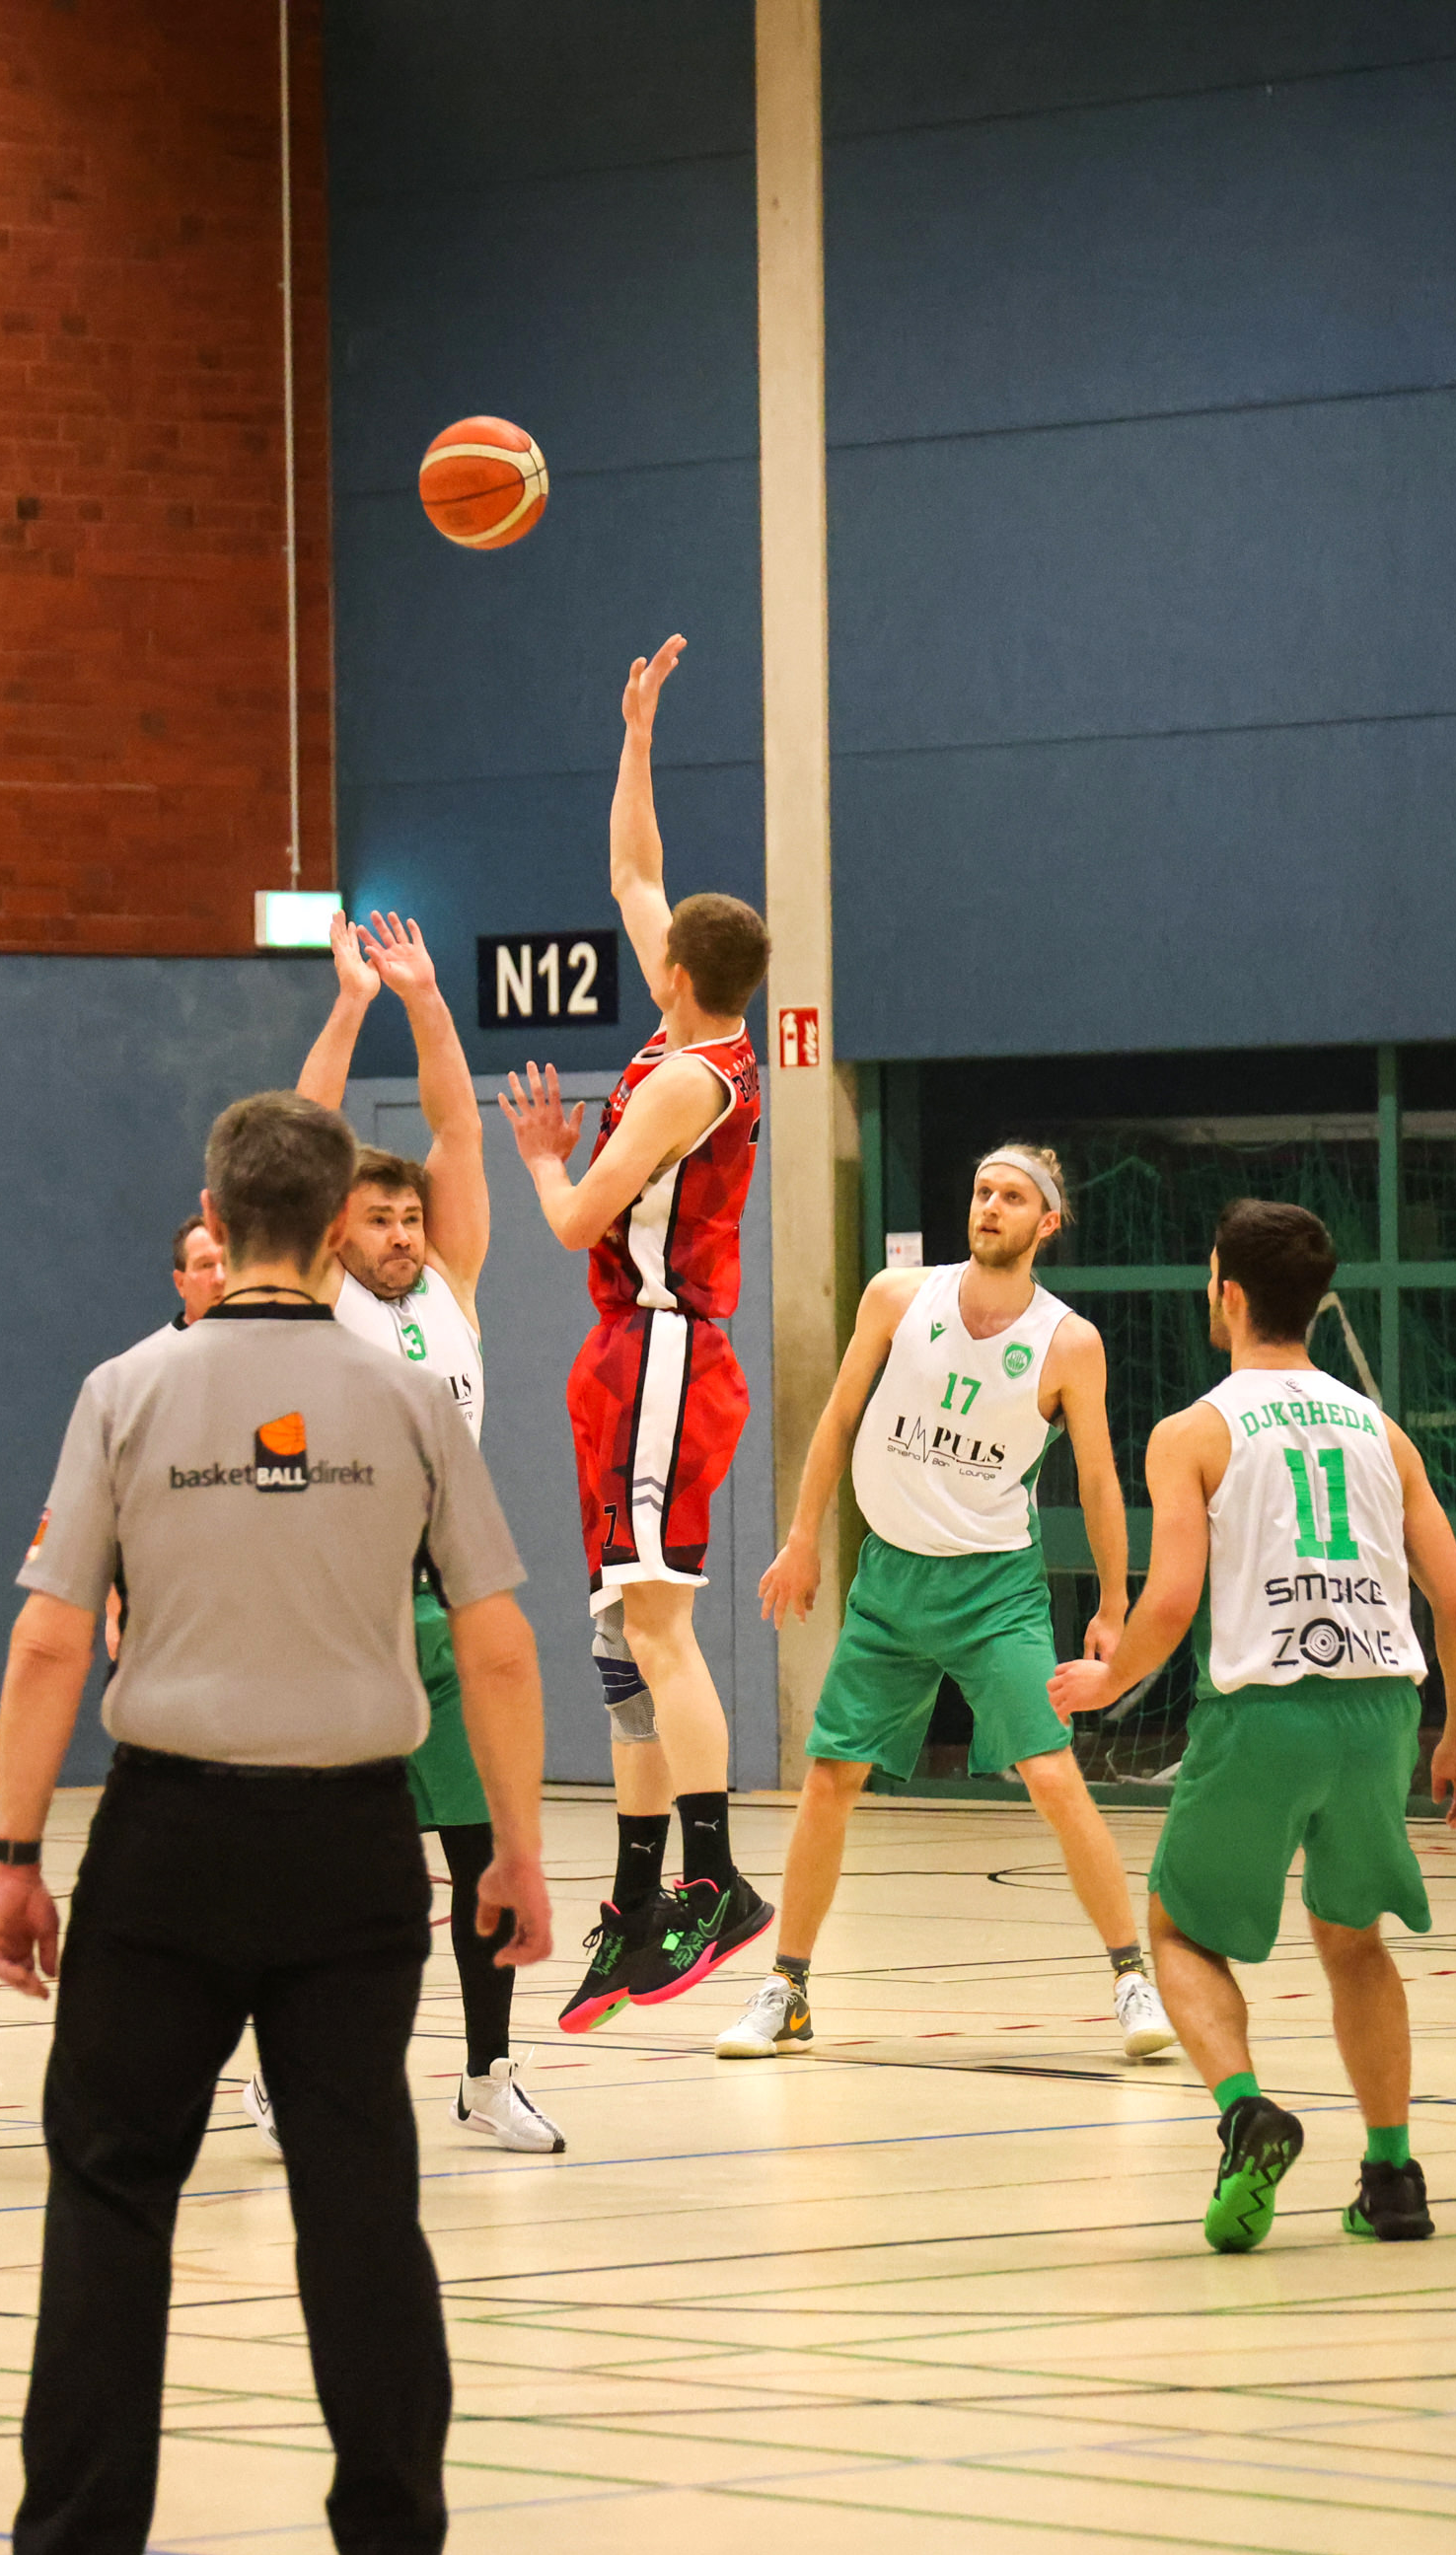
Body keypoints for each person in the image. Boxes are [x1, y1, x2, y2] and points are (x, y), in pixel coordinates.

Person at [0, 1091, 554, 2555]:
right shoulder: (408, 1399)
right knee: (361, 2201)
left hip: (167, 1843)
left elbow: (46, 1640)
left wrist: (15, 1853)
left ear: (215, 1223)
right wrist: (515, 1849)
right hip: (354, 1845)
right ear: (340, 1225)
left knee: (111, 2192)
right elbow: (498, 1642)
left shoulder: (127, 1389)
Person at [1052, 1202, 1456, 2252]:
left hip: (1264, 1710)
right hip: (1382, 1709)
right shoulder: (1382, 1433)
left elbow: (1170, 1601)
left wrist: (1107, 1680)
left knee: (1177, 1932)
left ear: (1229, 1294)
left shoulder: (1191, 1432)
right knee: (1353, 1939)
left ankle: (1246, 2113)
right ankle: (1391, 2177)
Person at [731, 1145, 1166, 2060]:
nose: (989, 1206)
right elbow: (836, 1415)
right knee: (829, 1778)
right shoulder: (897, 1296)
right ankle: (786, 1987)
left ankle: (1131, 1978)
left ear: (1047, 1222)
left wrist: (1113, 1598)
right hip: (890, 1580)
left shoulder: (1067, 1342)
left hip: (993, 1588)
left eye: (1011, 1196)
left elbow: (1097, 1478)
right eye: (980, 1191)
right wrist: (802, 1537)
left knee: (1050, 1773)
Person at [242, 907, 561, 2154]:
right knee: (320, 1863)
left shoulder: (451, 1283)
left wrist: (428, 1000)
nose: (399, 1235)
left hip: (445, 1604)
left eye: (408, 1220)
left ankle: (487, 2075)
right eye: (377, 1220)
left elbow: (454, 1132)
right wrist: (349, 1007)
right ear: (333, 1232)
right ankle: (281, 2072)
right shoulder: (320, 1295)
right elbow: (300, 1129)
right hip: (342, 1606)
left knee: (484, 1844)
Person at [502, 632, 777, 2032]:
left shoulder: (683, 1083)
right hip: (630, 1353)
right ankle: (633, 1898)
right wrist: (636, 734)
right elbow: (630, 868)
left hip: (665, 1345)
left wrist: (542, 1155)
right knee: (618, 1632)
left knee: (661, 1625)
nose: (640, 930)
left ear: (673, 972)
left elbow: (569, 1223)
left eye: (655, 940)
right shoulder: (688, 1029)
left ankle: (716, 1880)